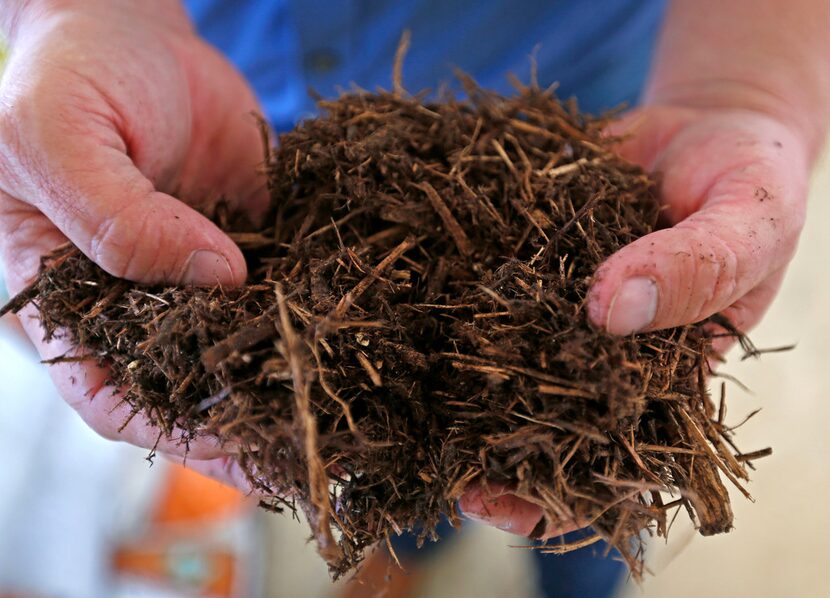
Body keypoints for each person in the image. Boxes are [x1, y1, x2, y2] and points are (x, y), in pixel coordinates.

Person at [0, 1, 826, 596]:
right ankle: (404, 559)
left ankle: (583, 583)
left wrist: (740, 87)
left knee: (590, 470)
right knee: (373, 443)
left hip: (599, 114)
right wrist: (72, 11)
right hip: (221, 113)